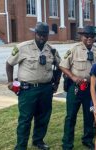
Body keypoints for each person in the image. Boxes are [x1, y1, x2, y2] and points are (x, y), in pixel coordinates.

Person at [6, 22, 60, 150]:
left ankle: (38, 141)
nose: (42, 37)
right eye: (39, 34)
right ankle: (21, 146)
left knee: (43, 117)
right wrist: (10, 82)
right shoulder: (23, 47)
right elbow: (9, 64)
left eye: (44, 35)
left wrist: (56, 83)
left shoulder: (51, 50)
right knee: (25, 119)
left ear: (48, 35)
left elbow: (60, 67)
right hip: (27, 90)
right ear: (35, 33)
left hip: (46, 89)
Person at [60, 26, 96, 150]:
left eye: (91, 36)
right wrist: (72, 76)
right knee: (71, 116)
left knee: (89, 116)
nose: (89, 38)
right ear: (81, 37)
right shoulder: (74, 49)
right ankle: (67, 143)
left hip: (91, 88)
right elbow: (62, 65)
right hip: (76, 88)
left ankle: (87, 140)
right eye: (86, 36)